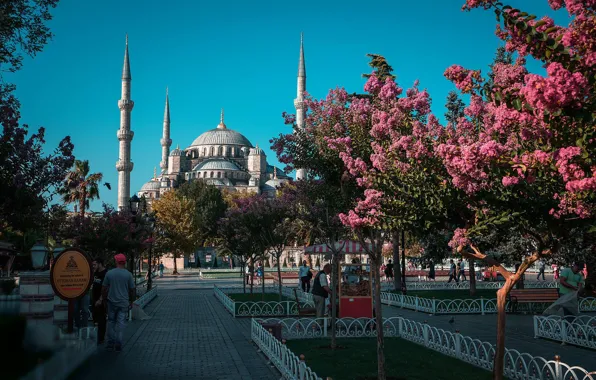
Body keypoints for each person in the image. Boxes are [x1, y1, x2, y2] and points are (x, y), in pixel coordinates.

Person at [102, 254, 135, 352]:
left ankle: (110, 343)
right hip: (123, 303)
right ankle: (118, 344)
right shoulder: (128, 274)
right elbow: (132, 289)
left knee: (111, 322)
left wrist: (104, 300)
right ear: (124, 262)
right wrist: (131, 301)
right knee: (120, 324)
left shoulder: (109, 273)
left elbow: (104, 288)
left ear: (116, 261)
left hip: (111, 302)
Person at [91, 258, 107, 345]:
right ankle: (96, 336)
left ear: (100, 264)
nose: (93, 266)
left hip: (101, 300)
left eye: (94, 264)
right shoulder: (95, 273)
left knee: (101, 319)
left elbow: (105, 288)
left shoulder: (105, 273)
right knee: (95, 318)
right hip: (94, 299)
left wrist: (100, 299)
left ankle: (101, 338)